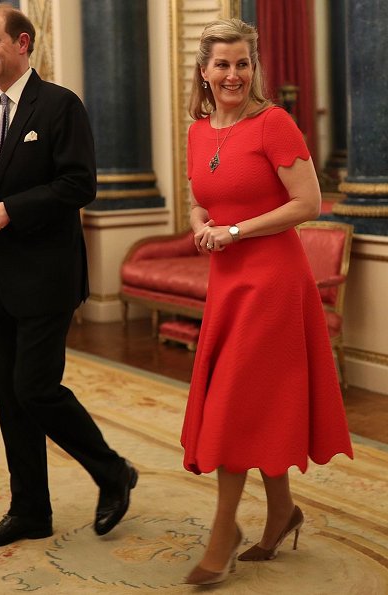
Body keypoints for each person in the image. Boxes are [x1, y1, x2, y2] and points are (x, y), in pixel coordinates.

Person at [0, 3, 137, 548]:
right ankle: (30, 510)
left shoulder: (61, 106)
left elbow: (80, 185)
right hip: (0, 280)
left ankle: (112, 471)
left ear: (23, 43)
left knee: (34, 388)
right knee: (9, 398)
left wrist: (12, 208)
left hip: (49, 277)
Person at [180, 19, 353, 585]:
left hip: (273, 282)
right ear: (203, 71)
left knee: (232, 401)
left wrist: (233, 233)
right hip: (228, 283)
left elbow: (309, 203)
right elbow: (201, 201)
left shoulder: (273, 124)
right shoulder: (199, 131)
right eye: (222, 64)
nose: (233, 74)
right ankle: (283, 511)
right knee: (254, 401)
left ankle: (222, 532)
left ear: (254, 68)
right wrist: (202, 223)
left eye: (243, 63)